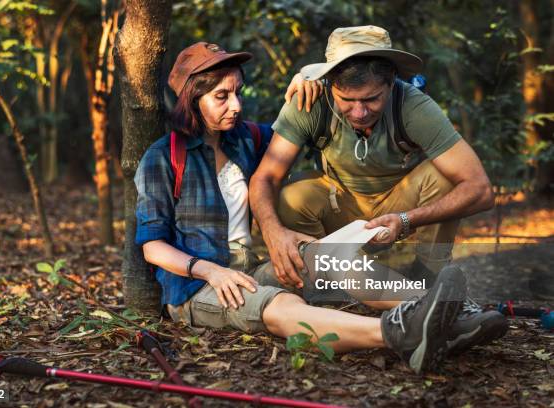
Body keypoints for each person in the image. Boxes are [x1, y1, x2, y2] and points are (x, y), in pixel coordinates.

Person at [134, 41, 469, 374]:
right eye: (221, 97)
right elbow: (152, 246)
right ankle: (397, 333)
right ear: (192, 100)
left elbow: (303, 129)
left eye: (237, 92)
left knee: (327, 259)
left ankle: (446, 313)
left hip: (250, 269)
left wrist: (306, 80)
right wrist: (208, 270)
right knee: (281, 305)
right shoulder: (164, 158)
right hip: (197, 289)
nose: (235, 105)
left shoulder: (247, 139)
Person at [249, 26, 507, 353]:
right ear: (329, 86)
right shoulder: (310, 101)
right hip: (339, 209)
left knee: (443, 180)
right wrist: (272, 231)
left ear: (391, 82)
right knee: (293, 196)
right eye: (347, 100)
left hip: (397, 209)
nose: (359, 112)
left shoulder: (412, 105)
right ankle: (327, 291)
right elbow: (265, 177)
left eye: (372, 99)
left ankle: (428, 294)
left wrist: (407, 219)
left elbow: (480, 189)